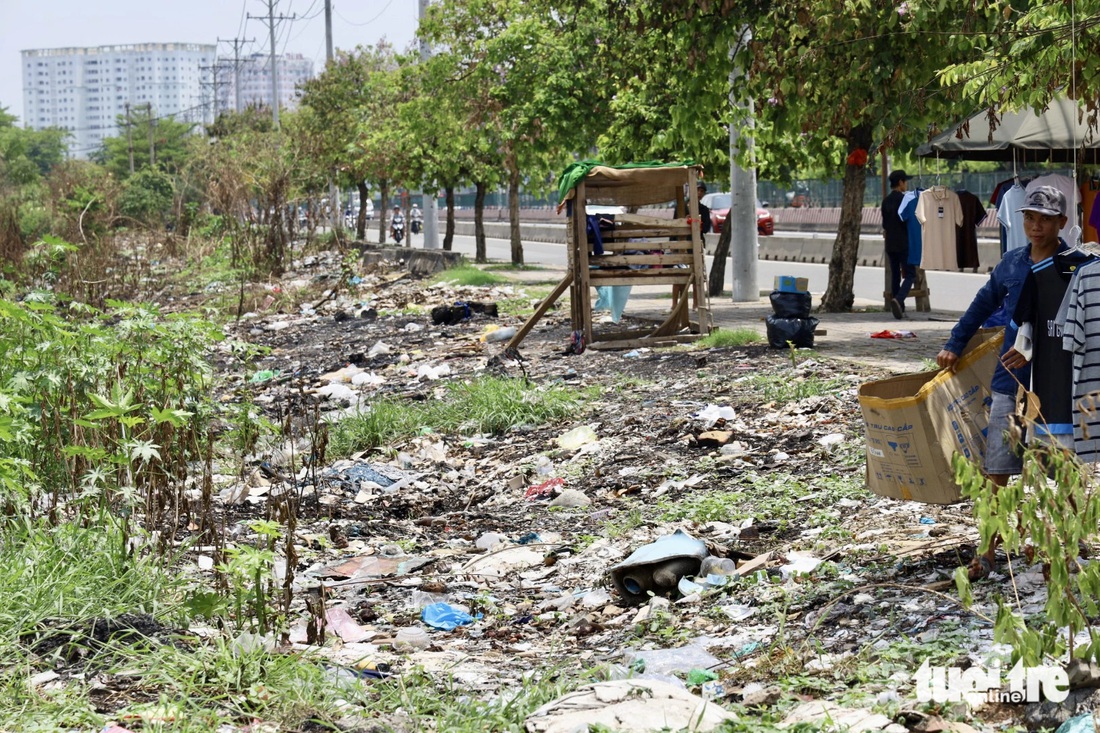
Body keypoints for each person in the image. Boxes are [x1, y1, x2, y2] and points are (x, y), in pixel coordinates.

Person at [936, 186, 1077, 579]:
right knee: (996, 470)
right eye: (1030, 217)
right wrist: (953, 343)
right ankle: (987, 552)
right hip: (1009, 382)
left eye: (1045, 219)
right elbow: (981, 304)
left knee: (1059, 470)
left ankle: (1063, 551)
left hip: (1054, 386)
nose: (1036, 225)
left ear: (1061, 223)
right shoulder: (1011, 264)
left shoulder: (1074, 267)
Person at [882, 170, 915, 319]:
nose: (906, 184)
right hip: (904, 242)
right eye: (905, 181)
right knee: (910, 275)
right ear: (901, 182)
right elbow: (910, 222)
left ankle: (899, 309)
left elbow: (885, 225)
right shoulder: (906, 200)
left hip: (890, 243)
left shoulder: (885, 201)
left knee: (895, 274)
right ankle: (899, 299)